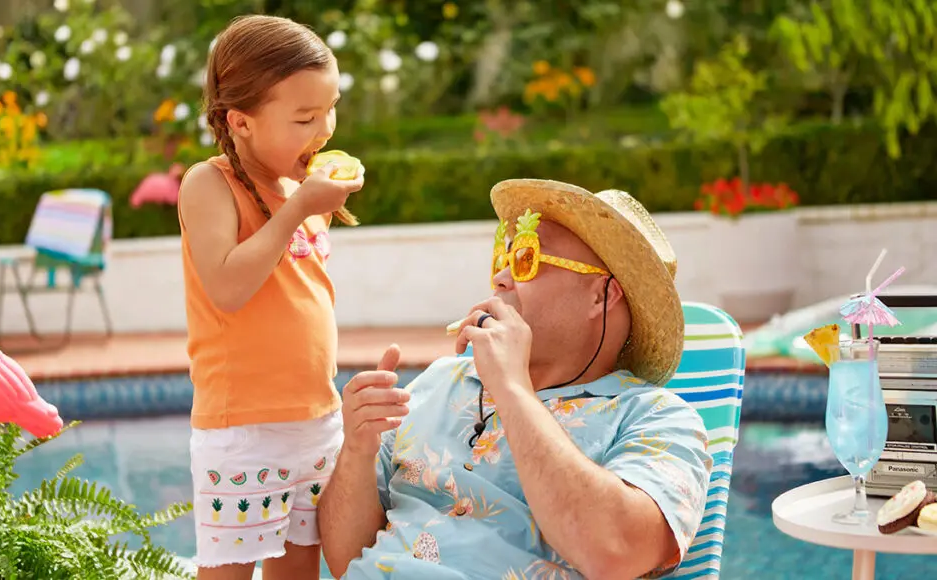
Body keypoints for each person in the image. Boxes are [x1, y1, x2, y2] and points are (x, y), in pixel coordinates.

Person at [319, 179, 712, 579]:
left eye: (527, 259)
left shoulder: (657, 420)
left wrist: (512, 389)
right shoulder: (439, 382)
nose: (501, 279)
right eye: (502, 259)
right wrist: (357, 450)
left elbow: (616, 552)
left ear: (601, 296)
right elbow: (343, 559)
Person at [177, 14, 364, 580]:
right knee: (229, 571)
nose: (325, 129)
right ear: (241, 122)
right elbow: (229, 289)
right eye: (305, 117)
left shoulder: (298, 190)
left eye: (330, 109)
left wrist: (302, 204)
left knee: (300, 571)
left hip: (315, 419)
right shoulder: (210, 185)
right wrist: (297, 210)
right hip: (243, 429)